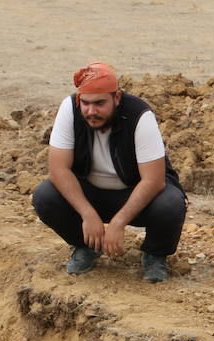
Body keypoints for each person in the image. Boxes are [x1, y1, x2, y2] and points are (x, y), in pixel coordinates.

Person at [32, 60, 187, 284]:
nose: (91, 111)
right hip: (91, 193)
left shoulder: (139, 116)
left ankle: (155, 255)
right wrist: (87, 213)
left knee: (171, 202)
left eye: (99, 103)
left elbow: (153, 180)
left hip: (134, 194)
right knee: (45, 195)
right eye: (85, 103)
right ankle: (86, 247)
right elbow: (58, 170)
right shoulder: (70, 109)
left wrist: (118, 223)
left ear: (116, 98)